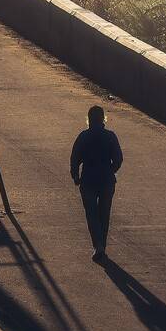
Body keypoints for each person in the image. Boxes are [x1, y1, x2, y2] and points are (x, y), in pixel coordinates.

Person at [70, 104, 123, 261]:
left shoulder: (83, 136)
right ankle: (102, 246)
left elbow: (74, 159)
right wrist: (110, 171)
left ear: (89, 119)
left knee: (92, 214)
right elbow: (118, 159)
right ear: (103, 119)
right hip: (106, 181)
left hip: (88, 180)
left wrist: (75, 176)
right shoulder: (110, 136)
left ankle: (97, 246)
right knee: (104, 214)